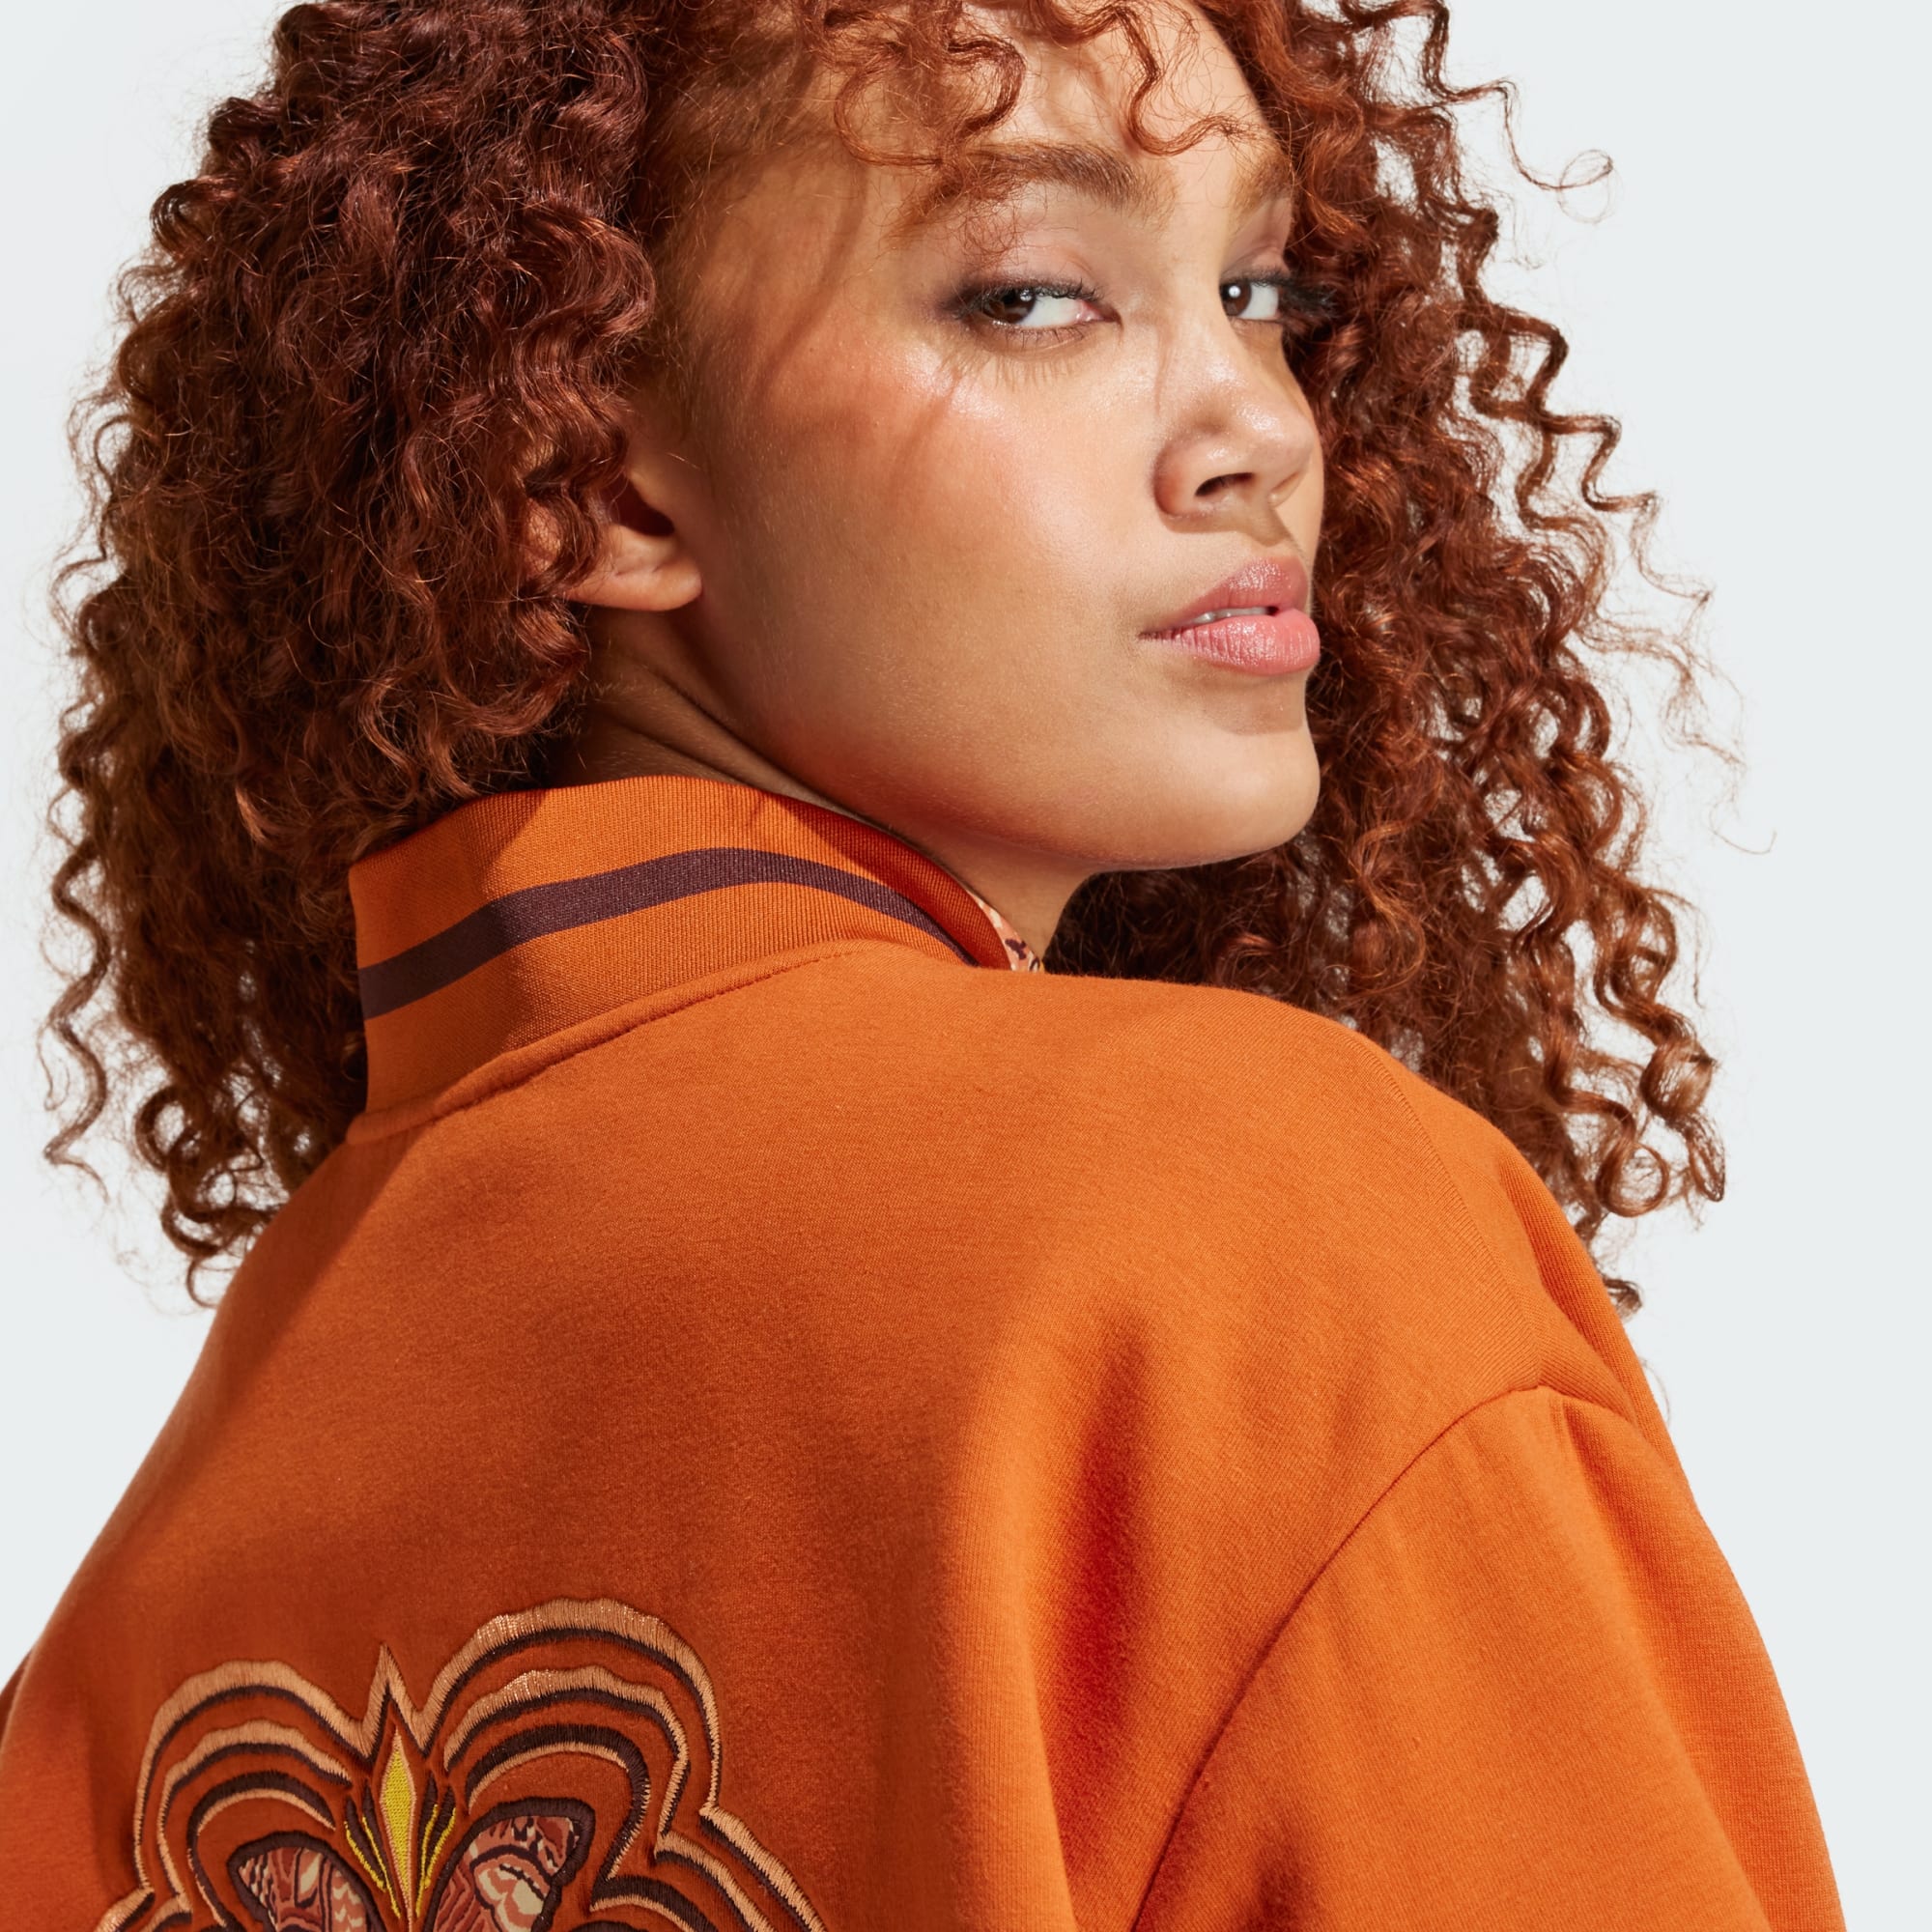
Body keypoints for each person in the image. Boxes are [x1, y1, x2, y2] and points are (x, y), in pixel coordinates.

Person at [0, 0, 1844, 1925]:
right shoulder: (1256, 1240)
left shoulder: (187, 1531)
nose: (1262, 430)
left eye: (1258, 291)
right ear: (598, 478)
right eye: (1031, 298)